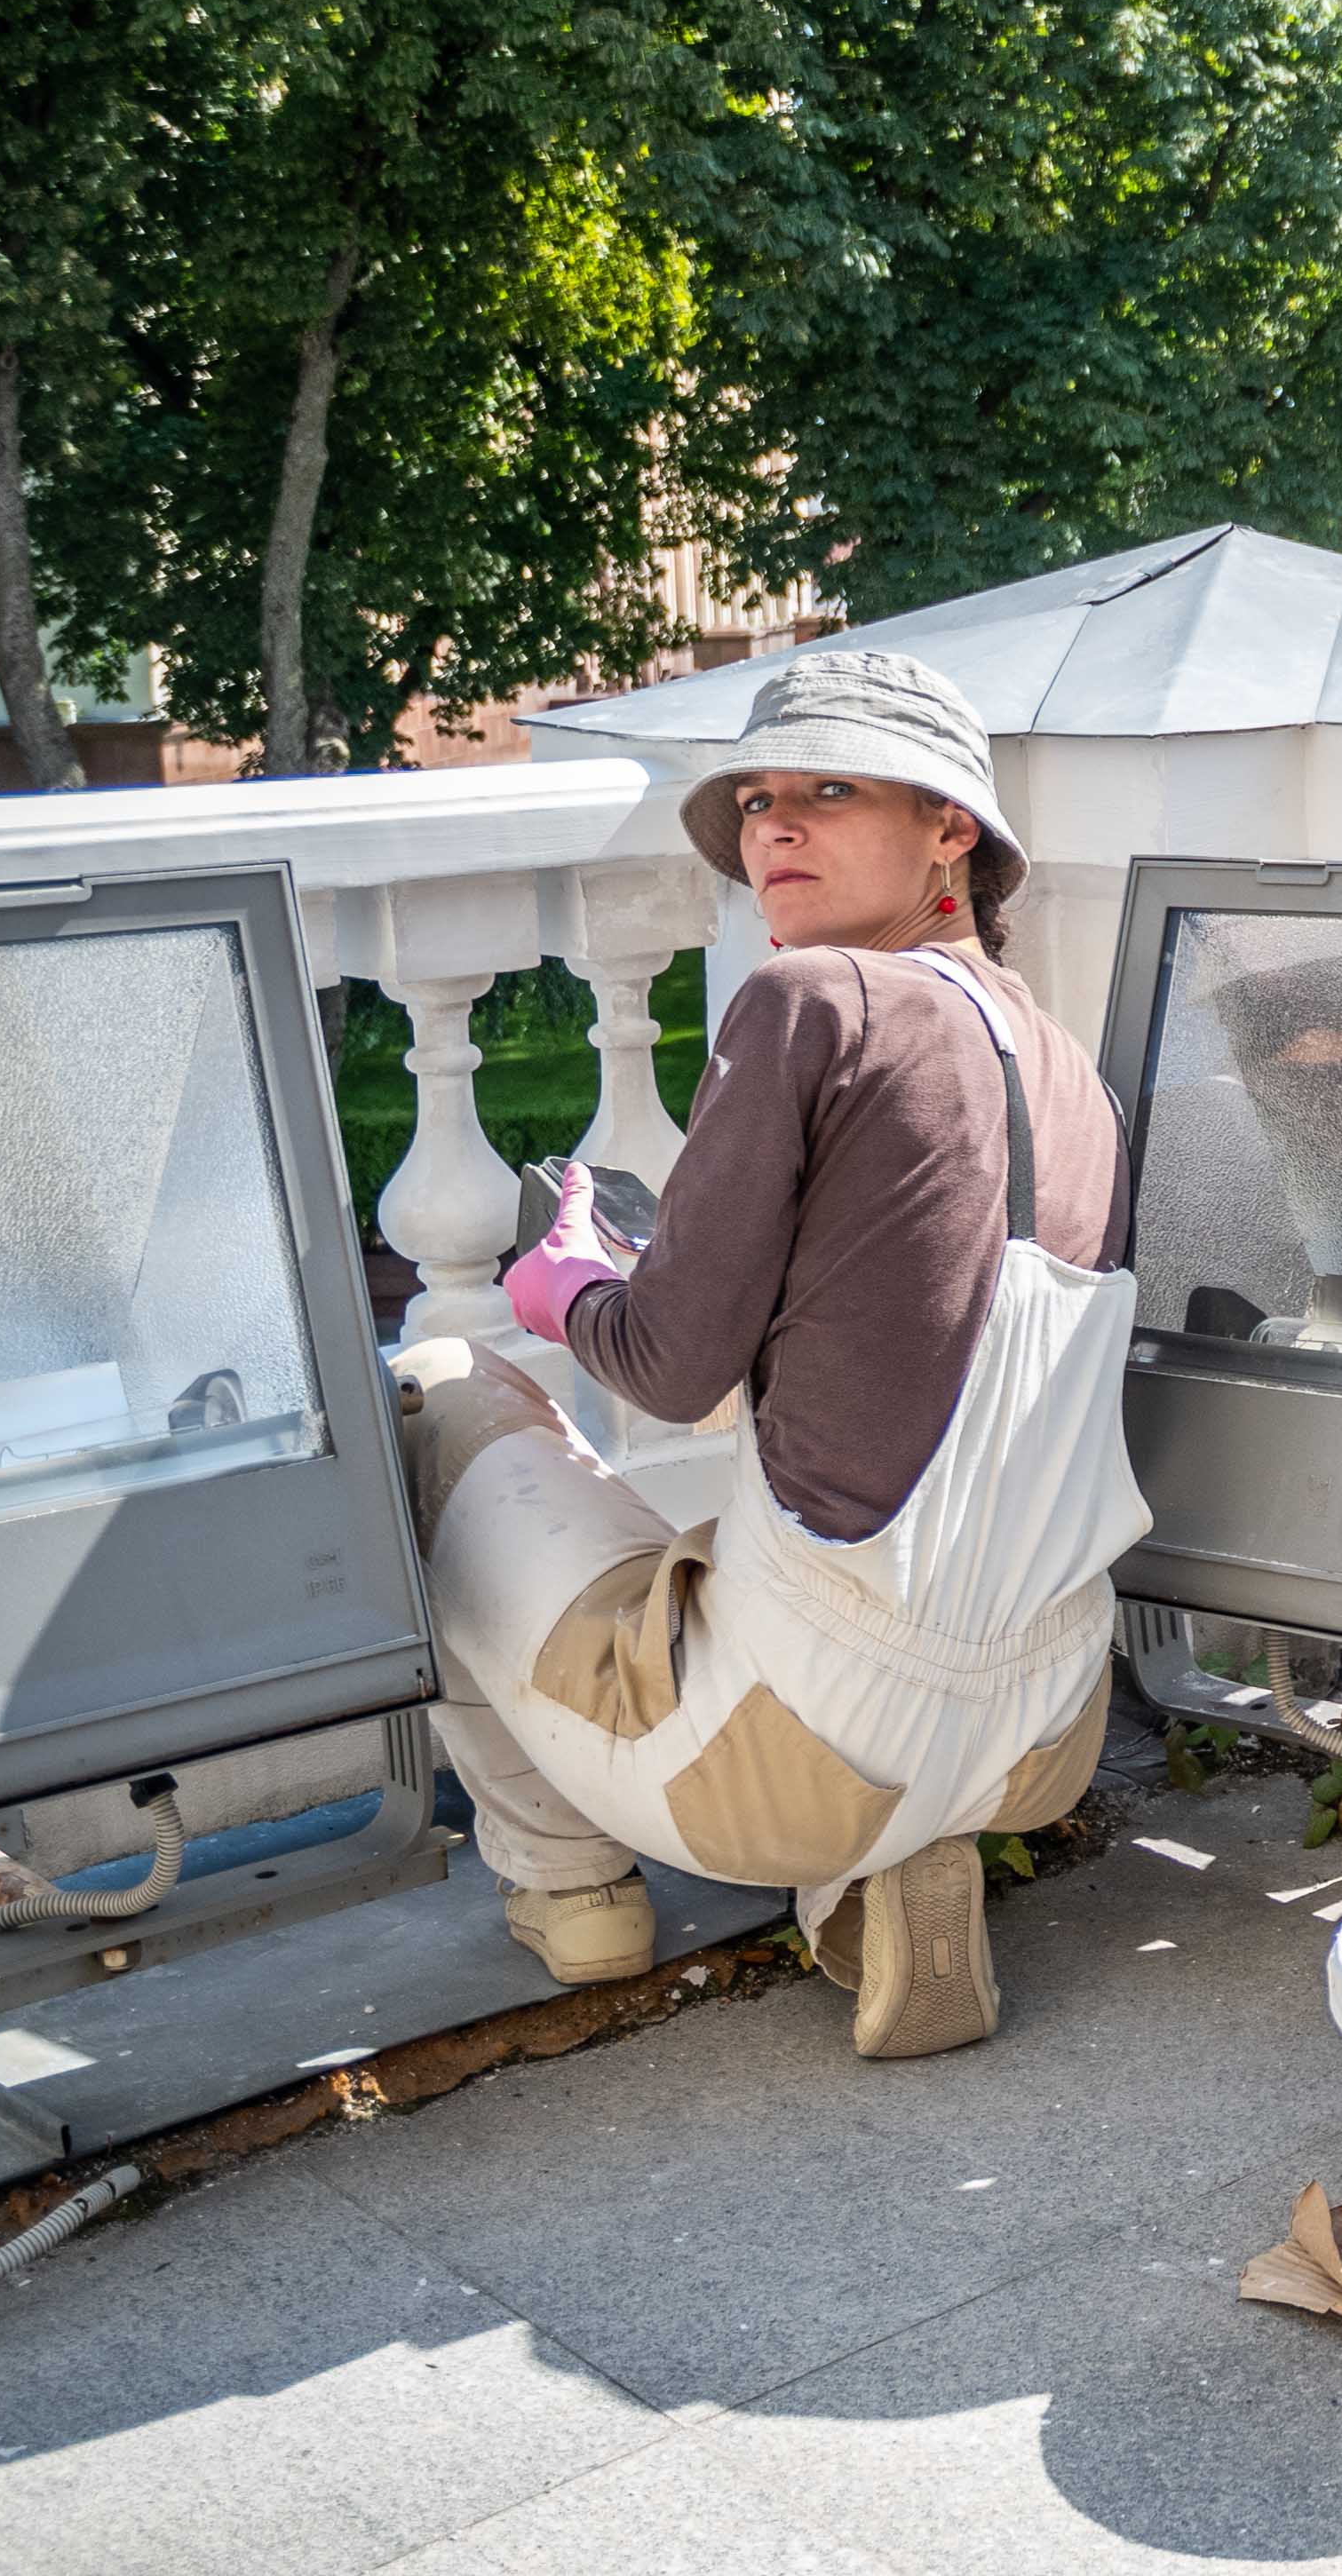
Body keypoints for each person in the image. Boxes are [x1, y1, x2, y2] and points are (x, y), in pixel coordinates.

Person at [410, 645, 1146, 2061]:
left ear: (953, 831)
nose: (776, 830)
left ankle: (575, 1894)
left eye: (828, 789)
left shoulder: (812, 1002)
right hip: (1046, 1722)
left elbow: (671, 1373)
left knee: (437, 1394)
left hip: (787, 1745)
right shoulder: (1076, 1074)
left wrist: (565, 1289)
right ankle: (890, 1860)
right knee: (758, 1524)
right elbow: (907, 1356)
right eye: (756, 801)